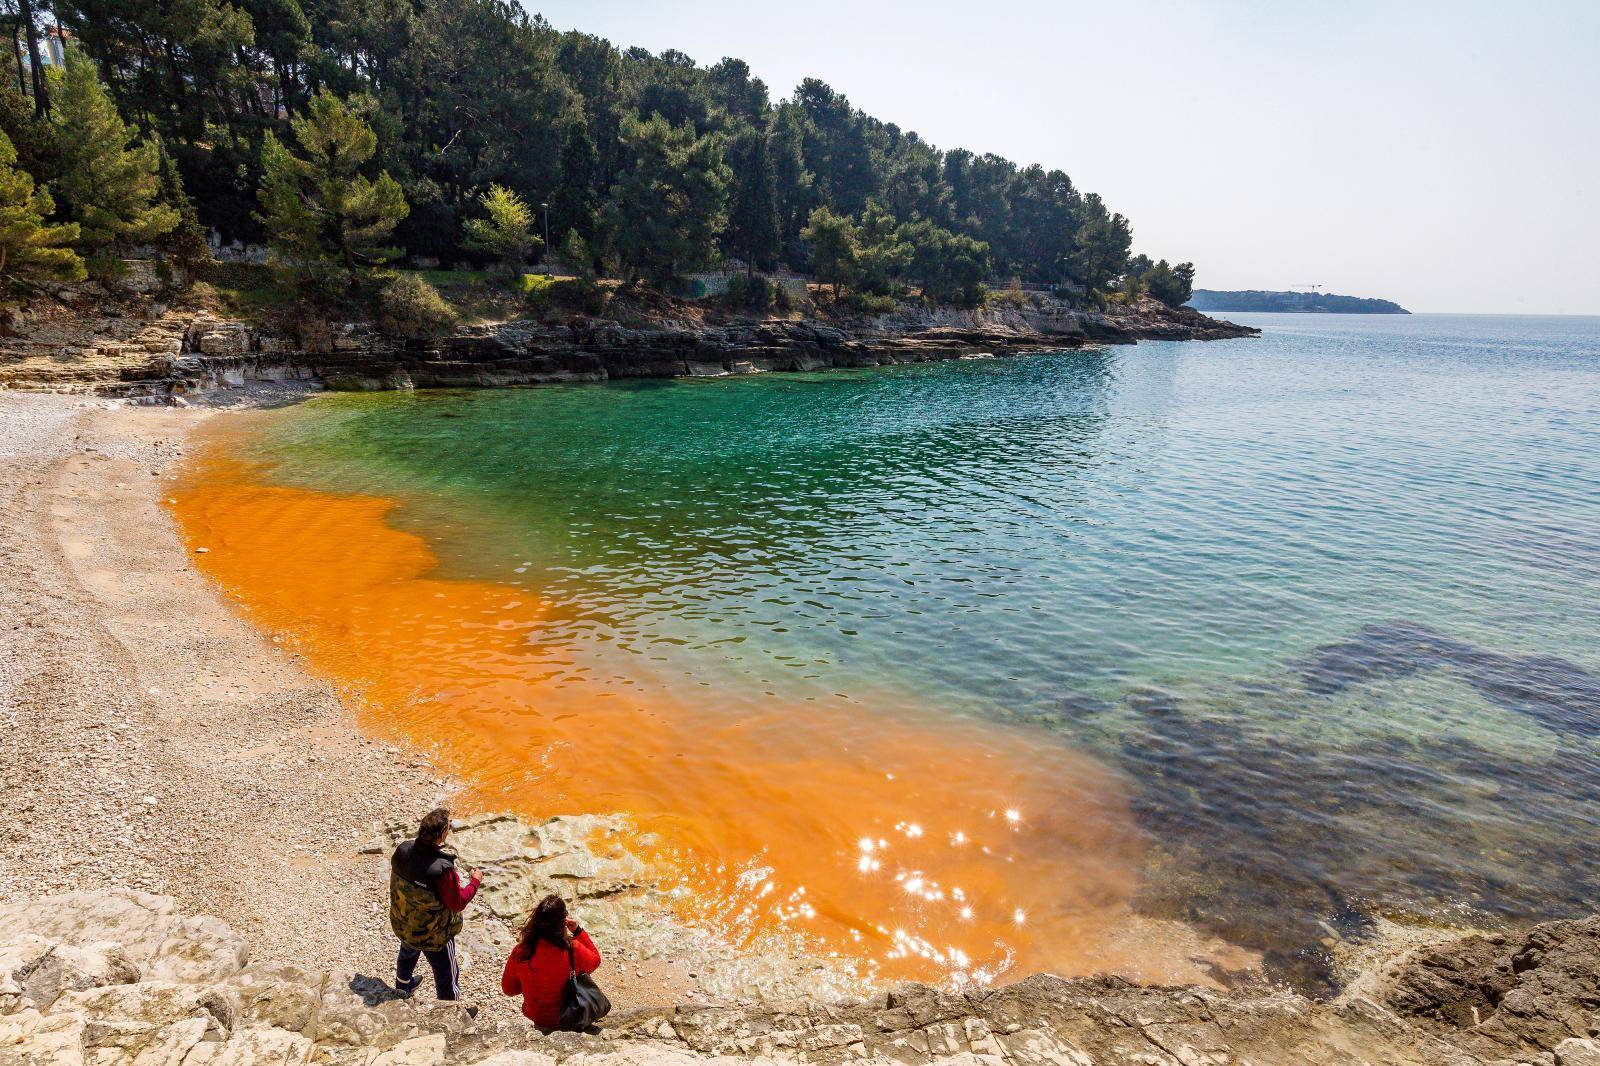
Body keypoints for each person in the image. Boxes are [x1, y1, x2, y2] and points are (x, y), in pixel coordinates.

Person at [389, 807, 482, 1000]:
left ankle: (402, 988)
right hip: (435, 934)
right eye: (447, 828)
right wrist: (475, 881)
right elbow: (458, 902)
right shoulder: (441, 870)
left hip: (405, 922)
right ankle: (452, 1011)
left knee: (407, 953)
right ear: (441, 836)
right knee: (446, 972)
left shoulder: (402, 850)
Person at [500, 893, 602, 1031]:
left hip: (539, 1017)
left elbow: (509, 990)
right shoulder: (572, 949)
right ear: (563, 921)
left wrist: (530, 983)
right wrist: (578, 931)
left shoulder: (521, 951)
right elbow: (596, 960)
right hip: (571, 1014)